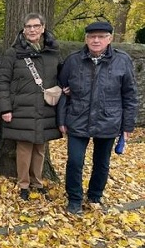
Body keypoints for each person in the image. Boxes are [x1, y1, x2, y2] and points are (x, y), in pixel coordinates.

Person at [57, 21, 138, 215]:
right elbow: (60, 90)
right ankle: (74, 199)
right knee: (75, 161)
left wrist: (127, 127)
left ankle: (95, 196)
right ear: (86, 39)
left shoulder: (122, 61)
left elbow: (130, 95)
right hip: (78, 118)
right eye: (92, 36)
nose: (96, 40)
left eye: (101, 36)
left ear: (109, 39)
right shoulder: (73, 60)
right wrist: (61, 119)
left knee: (102, 162)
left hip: (108, 120)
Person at [0, 13, 62, 200]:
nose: (32, 30)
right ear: (23, 29)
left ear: (43, 27)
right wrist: (5, 108)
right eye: (28, 26)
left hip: (45, 108)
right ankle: (23, 184)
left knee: (40, 148)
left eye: (36, 26)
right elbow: (2, 82)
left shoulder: (52, 52)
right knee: (24, 148)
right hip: (21, 108)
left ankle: (37, 181)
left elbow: (61, 75)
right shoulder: (13, 53)